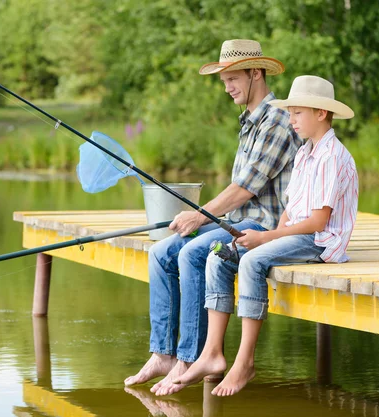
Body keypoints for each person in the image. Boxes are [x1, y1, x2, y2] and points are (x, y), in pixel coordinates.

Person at [124, 39, 303, 396]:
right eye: (223, 80)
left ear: (256, 73)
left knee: (192, 253)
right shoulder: (251, 121)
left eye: (233, 78)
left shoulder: (278, 121)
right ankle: (163, 352)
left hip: (263, 226)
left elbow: (245, 188)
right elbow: (238, 193)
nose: (227, 86)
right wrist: (201, 219)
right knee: (160, 253)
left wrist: (200, 215)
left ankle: (190, 357)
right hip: (238, 220)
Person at [172, 75, 359, 397]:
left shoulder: (332, 156)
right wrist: (274, 233)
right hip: (295, 232)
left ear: (321, 114)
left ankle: (245, 362)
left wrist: (266, 237)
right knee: (221, 256)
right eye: (290, 113)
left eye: (297, 113)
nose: (291, 120)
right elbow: (291, 208)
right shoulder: (305, 153)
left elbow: (318, 221)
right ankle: (212, 353)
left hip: (321, 240)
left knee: (252, 261)